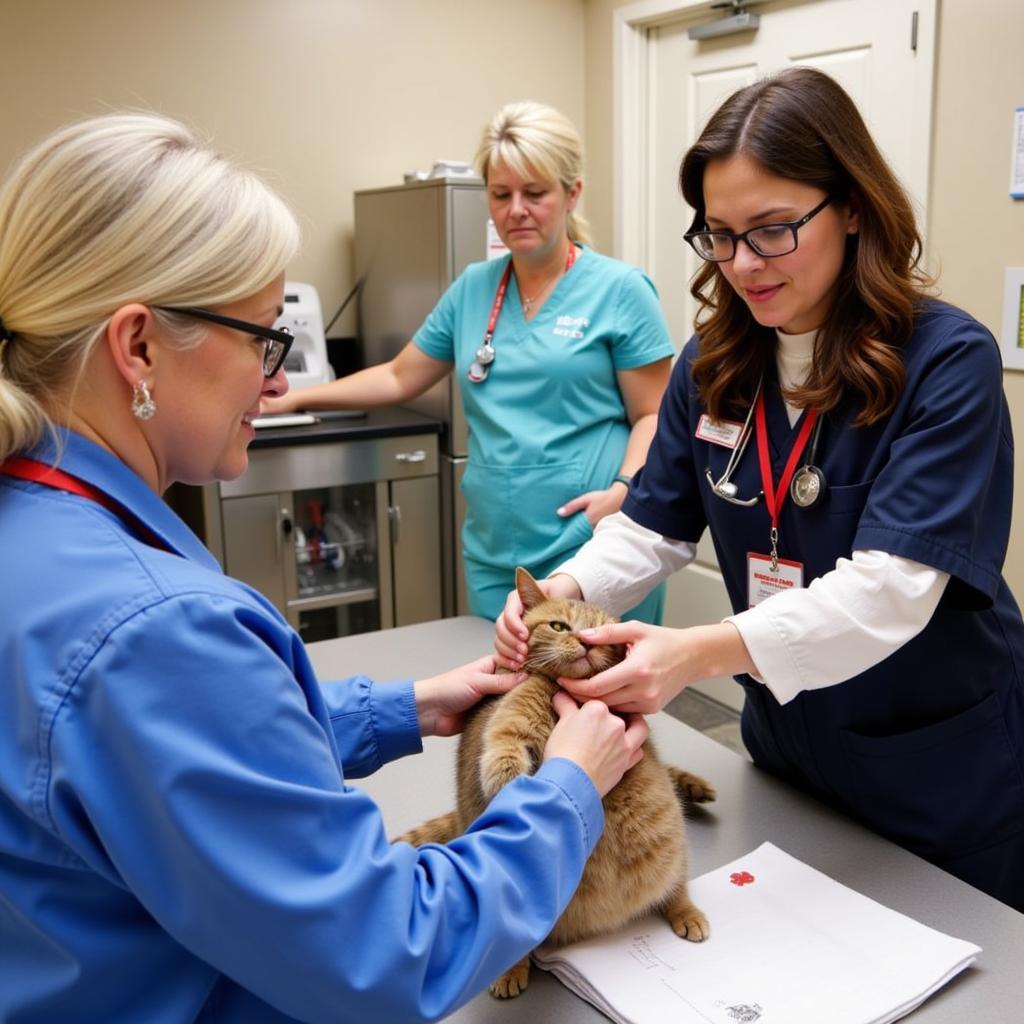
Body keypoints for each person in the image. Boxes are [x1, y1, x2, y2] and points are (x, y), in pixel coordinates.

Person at [0, 113, 651, 1023]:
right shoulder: (153, 630)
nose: (275, 383)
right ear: (139, 346)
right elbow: (391, 950)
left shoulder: (34, 530)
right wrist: (567, 789)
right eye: (266, 339)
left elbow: (157, 767)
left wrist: (403, 711)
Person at [495, 67, 1024, 912]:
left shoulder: (946, 363)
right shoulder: (714, 363)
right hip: (790, 748)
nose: (742, 264)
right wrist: (562, 592)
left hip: (933, 764)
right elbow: (654, 526)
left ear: (852, 206)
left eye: (773, 231)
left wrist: (696, 654)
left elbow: (889, 590)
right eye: (720, 235)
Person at [263, 101, 674, 621]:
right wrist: (294, 398)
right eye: (501, 195)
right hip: (495, 544)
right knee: (502, 694)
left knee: (596, 693)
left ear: (572, 194)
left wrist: (621, 492)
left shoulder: (620, 290)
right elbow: (398, 376)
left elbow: (655, 416)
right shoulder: (473, 289)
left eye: (535, 193)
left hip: (591, 540)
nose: (515, 209)